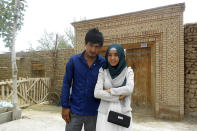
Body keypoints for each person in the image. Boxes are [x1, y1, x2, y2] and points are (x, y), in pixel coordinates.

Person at [61, 28, 105, 131]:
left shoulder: (103, 63)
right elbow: (66, 84)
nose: (93, 50)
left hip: (95, 112)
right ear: (85, 43)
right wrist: (65, 106)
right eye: (91, 45)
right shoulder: (74, 61)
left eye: (97, 47)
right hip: (75, 111)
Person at [94, 43, 134, 131]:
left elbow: (129, 89)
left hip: (123, 113)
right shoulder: (103, 71)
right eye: (110, 55)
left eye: (116, 55)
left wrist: (111, 90)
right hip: (105, 113)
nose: (112, 58)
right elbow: (97, 93)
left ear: (121, 56)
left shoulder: (128, 71)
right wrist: (117, 97)